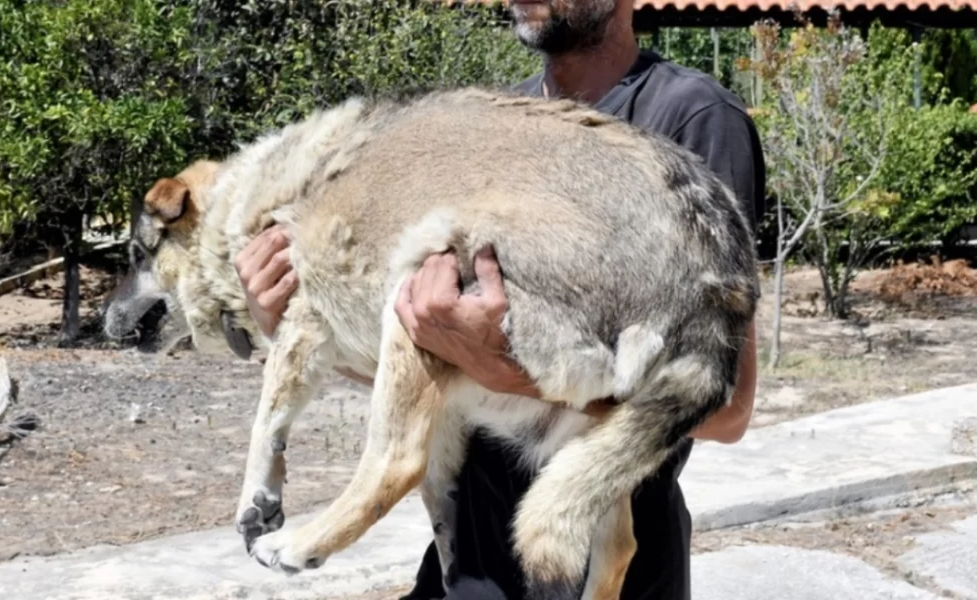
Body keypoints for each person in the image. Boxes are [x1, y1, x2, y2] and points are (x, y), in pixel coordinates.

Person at [234, 1, 765, 598]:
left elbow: (726, 410)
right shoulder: (492, 126)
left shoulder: (691, 114)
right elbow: (423, 350)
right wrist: (290, 321)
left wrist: (502, 369)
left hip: (609, 570)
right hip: (467, 565)